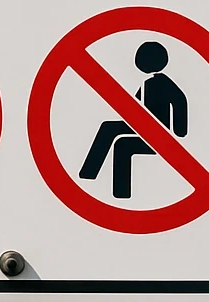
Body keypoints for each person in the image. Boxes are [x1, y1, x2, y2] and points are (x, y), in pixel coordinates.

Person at [79, 41, 187, 199]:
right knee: (108, 127)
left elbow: (180, 104)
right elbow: (134, 109)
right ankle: (88, 174)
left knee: (123, 145)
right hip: (145, 129)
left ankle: (121, 194)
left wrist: (179, 132)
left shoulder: (165, 84)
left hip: (161, 136)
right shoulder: (147, 84)